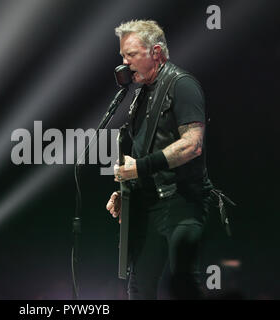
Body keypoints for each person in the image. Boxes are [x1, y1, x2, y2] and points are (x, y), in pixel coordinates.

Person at [106, 19, 214, 299]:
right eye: (122, 56)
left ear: (156, 52)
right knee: (139, 287)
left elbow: (193, 145)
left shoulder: (183, 85)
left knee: (183, 284)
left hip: (183, 201)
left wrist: (139, 168)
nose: (124, 64)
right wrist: (125, 189)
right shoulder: (139, 94)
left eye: (131, 55)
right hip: (149, 205)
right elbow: (141, 149)